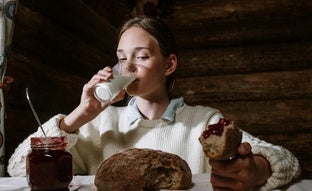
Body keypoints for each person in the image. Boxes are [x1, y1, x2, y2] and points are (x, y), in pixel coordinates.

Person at [8, 17, 300, 190]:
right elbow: (19, 167)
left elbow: (286, 161)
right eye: (122, 58)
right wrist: (79, 116)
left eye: (142, 56)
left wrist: (257, 169)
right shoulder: (99, 125)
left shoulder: (203, 121)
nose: (128, 67)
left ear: (169, 64)